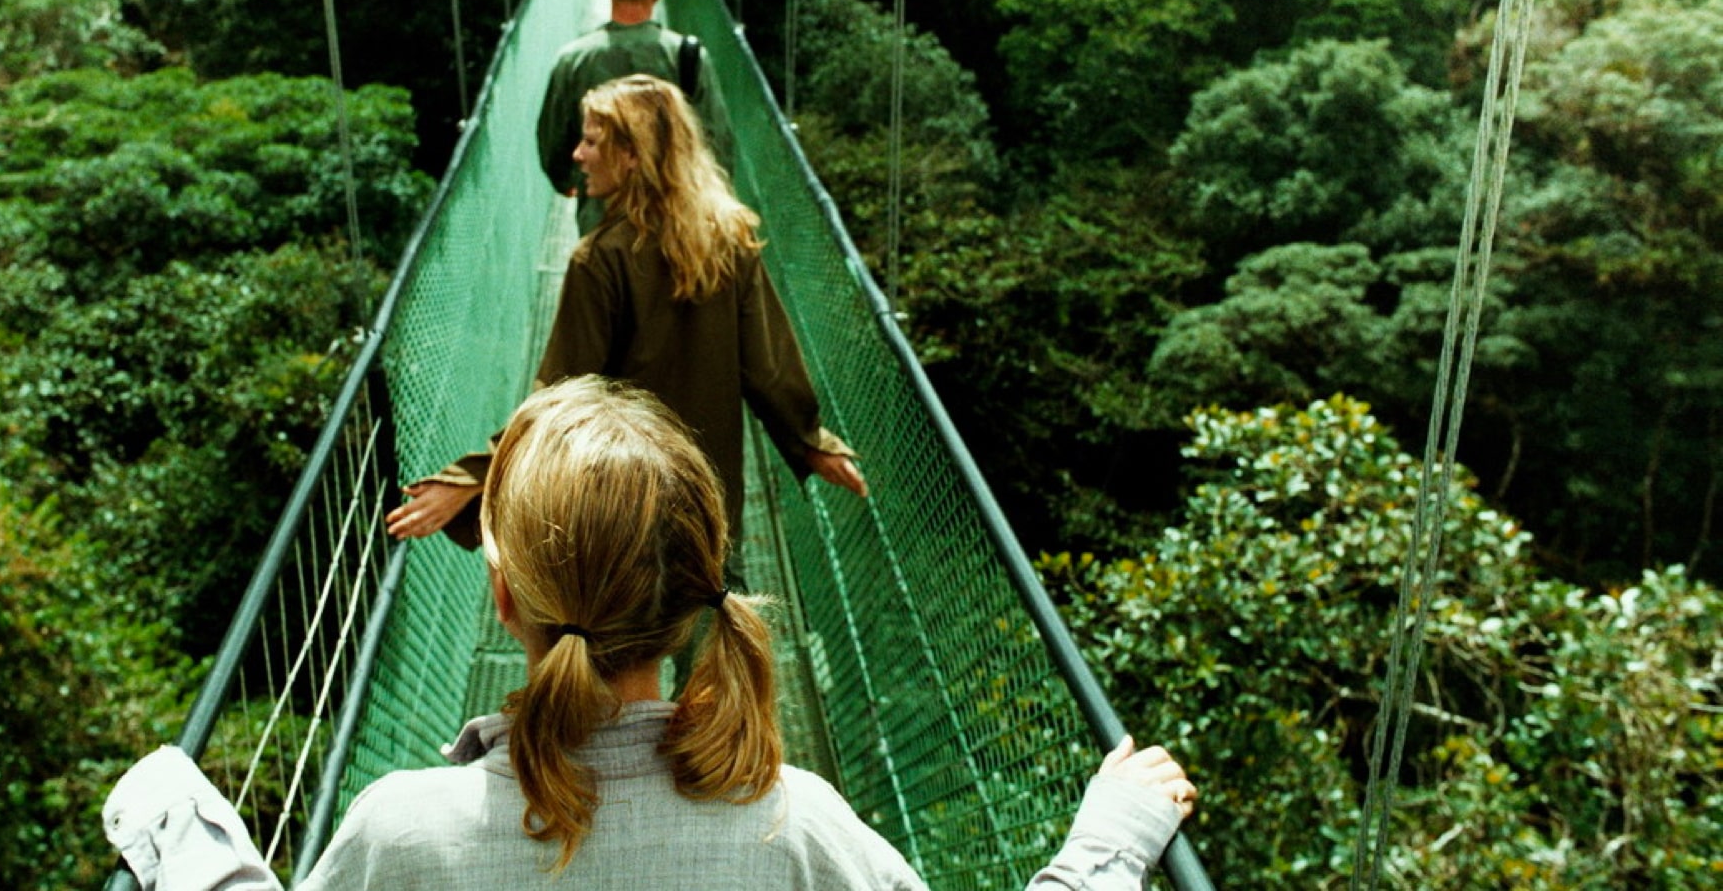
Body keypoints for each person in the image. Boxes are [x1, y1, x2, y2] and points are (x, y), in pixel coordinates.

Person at [102, 378, 1198, 890]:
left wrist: (192, 847)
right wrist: (1105, 845)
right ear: (698, 594)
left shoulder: (402, 834)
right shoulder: (795, 831)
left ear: (503, 603)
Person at [389, 74, 861, 567]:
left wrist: (472, 479)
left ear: (632, 154)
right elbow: (770, 369)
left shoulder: (599, 260)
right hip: (709, 498)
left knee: (629, 629)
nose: (577, 155)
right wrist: (812, 444)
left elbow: (558, 398)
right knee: (711, 619)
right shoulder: (729, 241)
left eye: (592, 141)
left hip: (625, 504)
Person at [537, 0, 734, 234]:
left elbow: (553, 141)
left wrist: (566, 181)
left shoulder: (572, 60)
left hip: (599, 220)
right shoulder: (688, 57)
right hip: (674, 221)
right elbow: (717, 141)